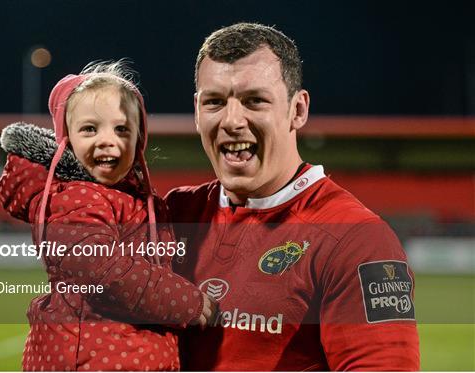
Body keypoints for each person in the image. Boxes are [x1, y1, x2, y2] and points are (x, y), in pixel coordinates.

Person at [166, 23, 420, 371]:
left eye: (254, 100)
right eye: (214, 102)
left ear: (297, 110)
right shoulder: (173, 216)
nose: (232, 120)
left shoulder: (358, 239)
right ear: (197, 111)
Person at [0, 61, 215, 371]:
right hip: (91, 361)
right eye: (89, 128)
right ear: (67, 139)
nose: (107, 139)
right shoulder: (75, 198)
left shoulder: (135, 200)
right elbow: (101, 271)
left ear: (139, 138)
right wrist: (186, 302)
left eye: (122, 129)